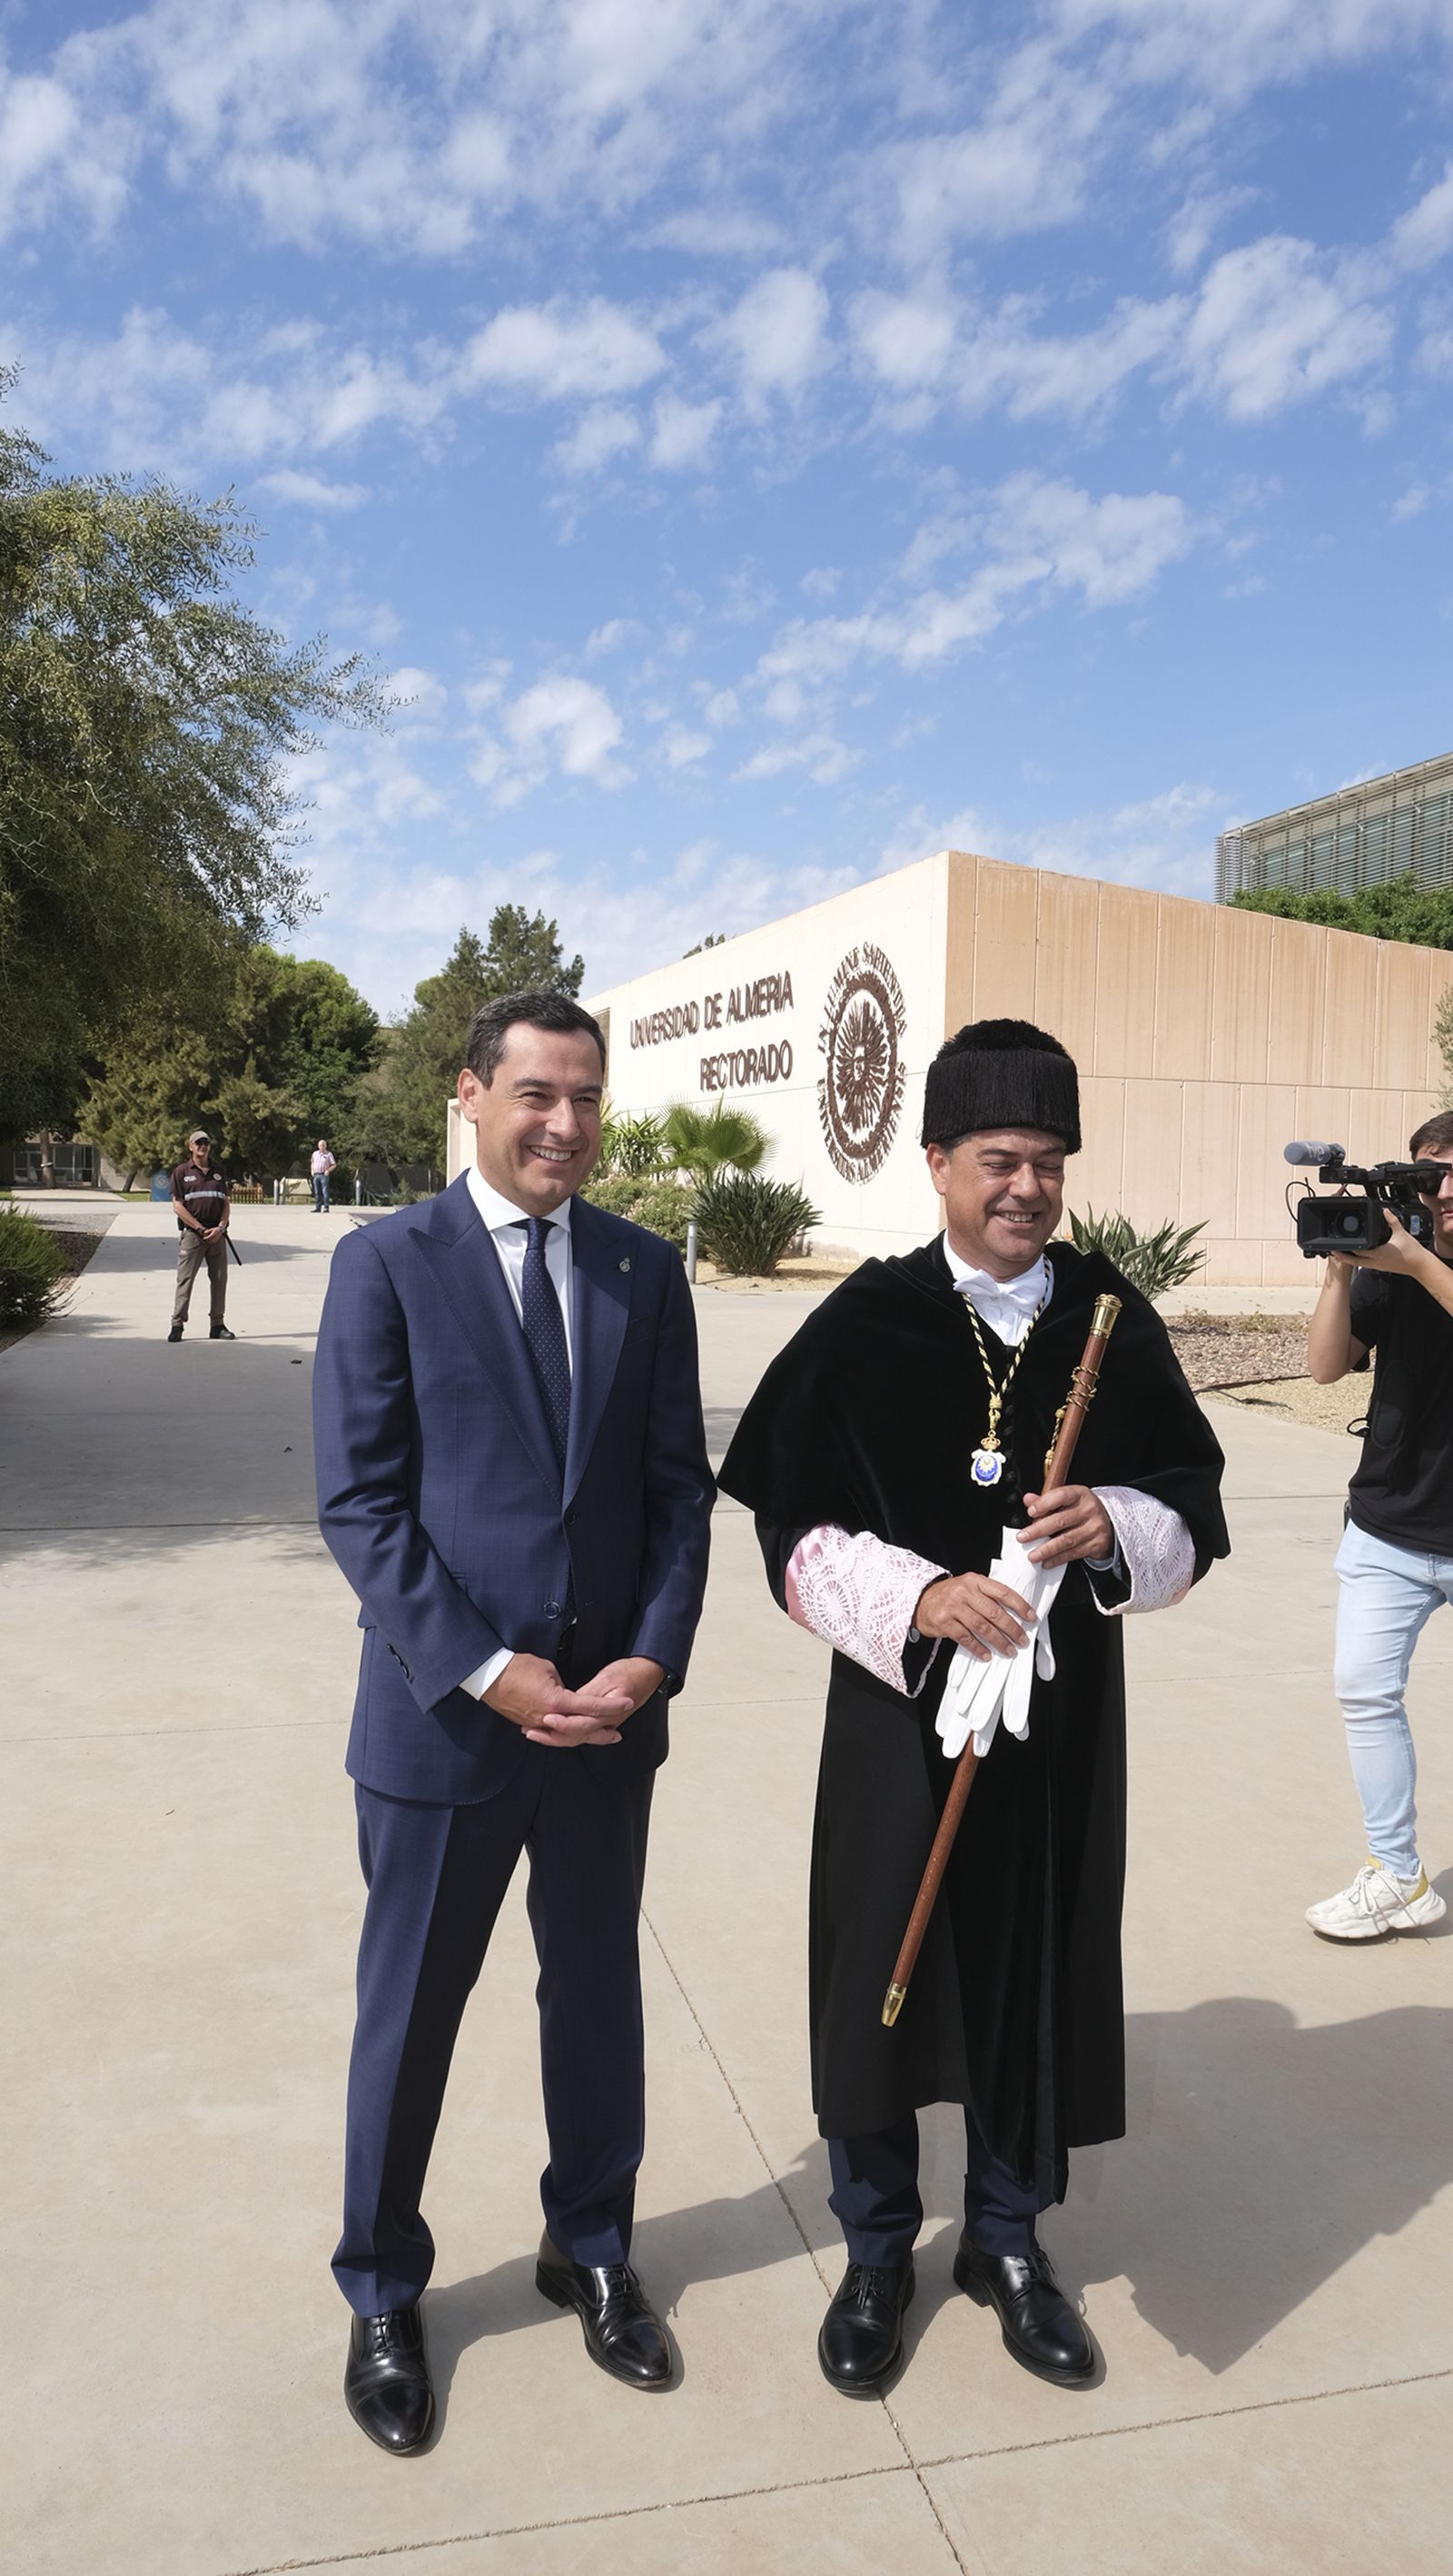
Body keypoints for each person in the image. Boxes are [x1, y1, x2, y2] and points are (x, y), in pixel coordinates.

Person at [717, 1020, 1228, 2396]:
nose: (1026, 1188)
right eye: (998, 1159)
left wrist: (1110, 1519)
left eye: (1049, 1163)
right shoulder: (869, 1320)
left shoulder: (1105, 1313)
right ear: (935, 1161)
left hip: (1056, 1737)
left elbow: (1194, 1502)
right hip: (900, 1727)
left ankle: (1005, 2240)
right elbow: (788, 1526)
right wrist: (922, 1596)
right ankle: (878, 2244)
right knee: (878, 1979)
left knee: (1029, 1971)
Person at [312, 991, 714, 2455]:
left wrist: (650, 1662)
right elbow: (360, 1507)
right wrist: (492, 1669)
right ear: (471, 1092)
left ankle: (590, 2245)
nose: (565, 1122)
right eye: (537, 1092)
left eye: (587, 1096)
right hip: (445, 1728)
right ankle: (379, 2286)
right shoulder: (384, 1266)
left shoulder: (641, 1271)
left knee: (596, 1996)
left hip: (603, 1727)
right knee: (410, 2012)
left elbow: (681, 1491)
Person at [1302, 1111, 1453, 1941]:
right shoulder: (1390, 1265)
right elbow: (1326, 1366)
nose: (1447, 1189)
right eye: (1432, 1173)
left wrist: (1415, 1260)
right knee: (1366, 1692)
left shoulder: (1414, 1260)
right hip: (1391, 1525)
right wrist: (1339, 1271)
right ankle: (1397, 1874)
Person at [167, 1129, 233, 1342]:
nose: (202, 1146)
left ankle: (217, 1324)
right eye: (198, 1143)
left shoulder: (218, 1171)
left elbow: (225, 1203)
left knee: (220, 1280)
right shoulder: (181, 1172)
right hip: (193, 1235)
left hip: (217, 1234)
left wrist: (221, 1227)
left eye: (205, 1143)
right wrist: (199, 1228)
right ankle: (177, 1324)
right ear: (190, 1146)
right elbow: (178, 1206)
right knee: (185, 1280)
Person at [311, 1140, 337, 1213]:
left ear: (325, 1146)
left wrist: (328, 1170)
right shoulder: (315, 1154)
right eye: (320, 1145)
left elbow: (334, 1165)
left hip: (323, 1175)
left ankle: (326, 1207)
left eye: (323, 1145)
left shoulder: (329, 1154)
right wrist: (312, 1170)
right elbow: (312, 1162)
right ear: (318, 1146)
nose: (322, 1147)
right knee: (317, 1192)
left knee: (325, 1191)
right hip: (316, 1174)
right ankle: (318, 1207)